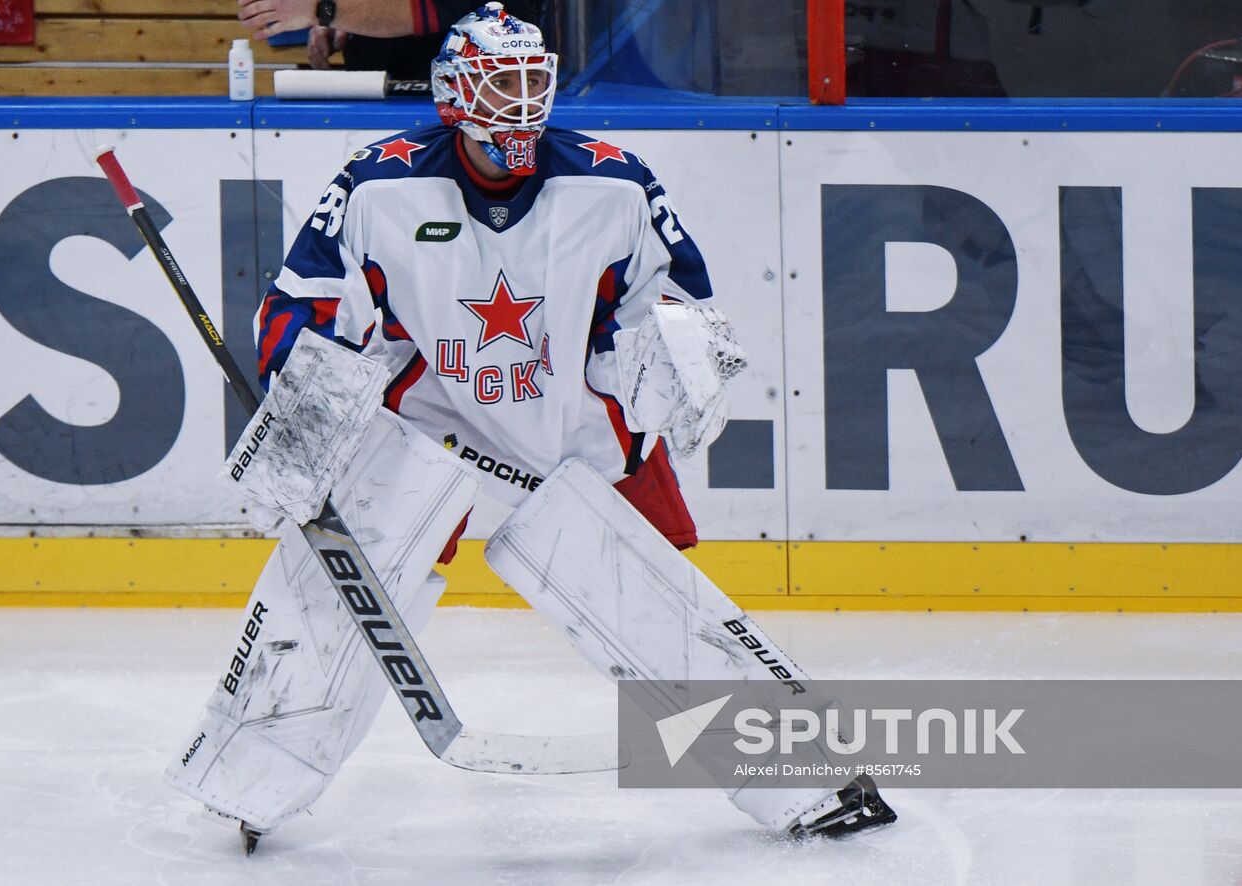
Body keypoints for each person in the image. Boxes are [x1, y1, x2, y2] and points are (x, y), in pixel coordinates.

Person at [166, 2, 897, 854]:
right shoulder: (379, 184)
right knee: (334, 596)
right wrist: (307, 420)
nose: (518, 102)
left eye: (530, 80)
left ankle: (802, 775)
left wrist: (663, 372)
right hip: (431, 441)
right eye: (498, 82)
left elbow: (675, 300)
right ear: (452, 94)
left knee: (662, 613)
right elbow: (303, 309)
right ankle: (248, 778)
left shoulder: (615, 182)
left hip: (572, 442)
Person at [235, 0, 541, 78]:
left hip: (475, 104)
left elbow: (426, 10)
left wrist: (323, 10)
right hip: (375, 87)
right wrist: (338, 20)